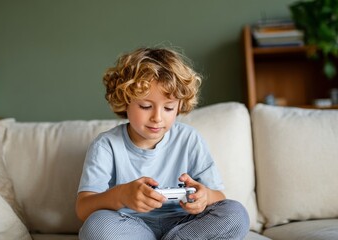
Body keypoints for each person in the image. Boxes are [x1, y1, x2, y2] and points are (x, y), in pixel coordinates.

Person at [76, 47, 249, 240]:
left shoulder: (189, 139)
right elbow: (83, 208)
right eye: (146, 106)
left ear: (179, 106)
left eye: (168, 107)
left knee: (236, 213)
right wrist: (122, 195)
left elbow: (219, 197)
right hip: (129, 226)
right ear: (125, 101)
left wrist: (204, 197)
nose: (157, 118)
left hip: (185, 225)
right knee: (96, 226)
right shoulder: (106, 145)